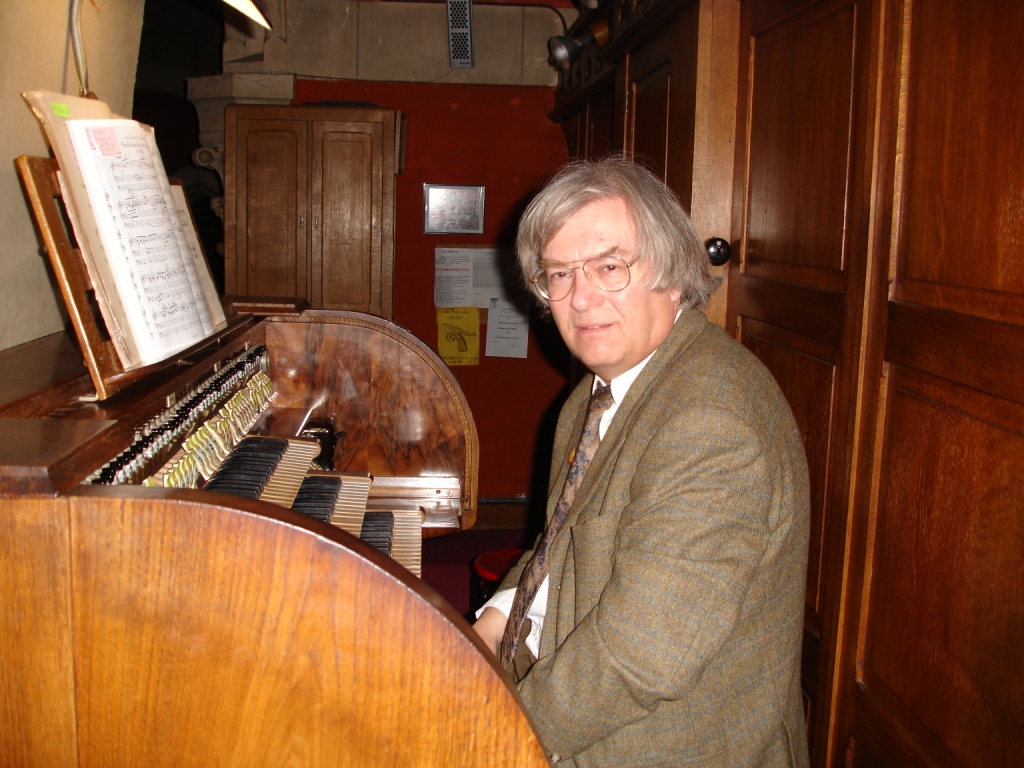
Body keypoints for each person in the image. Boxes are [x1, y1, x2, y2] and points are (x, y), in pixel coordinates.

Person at [473, 156, 811, 767]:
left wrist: (494, 735)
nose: (581, 298)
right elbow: (564, 541)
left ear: (673, 274)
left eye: (610, 267)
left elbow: (638, 657)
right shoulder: (595, 394)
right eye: (560, 274)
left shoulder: (711, 424)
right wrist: (495, 621)